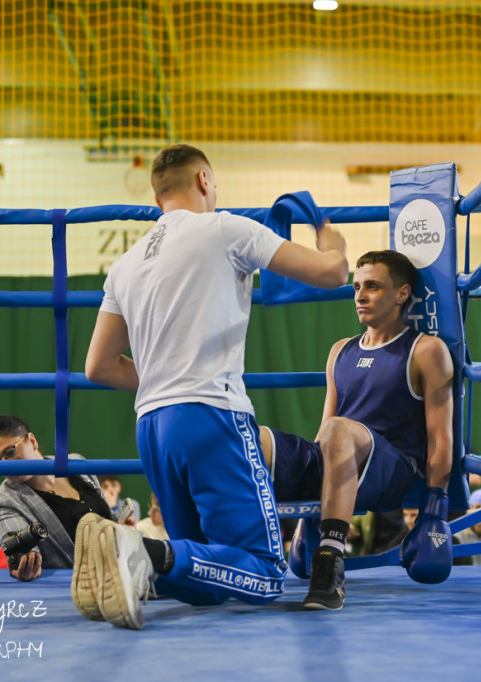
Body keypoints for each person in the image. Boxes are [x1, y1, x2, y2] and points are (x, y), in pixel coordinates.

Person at [78, 143, 349, 629]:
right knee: (266, 574)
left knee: (206, 583)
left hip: (152, 426)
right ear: (204, 181)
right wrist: (333, 239)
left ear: (158, 195)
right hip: (210, 415)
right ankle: (144, 554)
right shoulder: (226, 228)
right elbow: (331, 273)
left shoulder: (125, 264)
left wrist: (165, 371)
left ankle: (140, 569)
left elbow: (97, 366)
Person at [259, 249, 455, 610]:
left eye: (373, 287)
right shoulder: (340, 351)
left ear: (402, 293)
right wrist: (309, 516)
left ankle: (329, 562)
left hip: (390, 472)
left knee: (338, 430)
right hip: (337, 457)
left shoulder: (426, 350)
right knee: (250, 437)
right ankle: (219, 557)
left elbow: (441, 439)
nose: (360, 296)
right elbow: (324, 432)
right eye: (357, 287)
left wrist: (433, 511)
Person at [0, 415, 150, 582]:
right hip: (77, 591)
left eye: (10, 452)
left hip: (124, 572)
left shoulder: (75, 462)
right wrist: (23, 563)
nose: (5, 464)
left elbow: (104, 516)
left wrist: (120, 527)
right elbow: (21, 549)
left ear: (32, 441)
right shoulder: (3, 504)